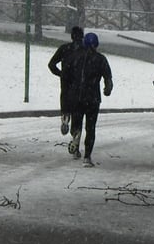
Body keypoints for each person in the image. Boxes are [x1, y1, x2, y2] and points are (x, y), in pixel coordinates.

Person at [65, 32, 113, 167]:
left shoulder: (75, 57)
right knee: (90, 128)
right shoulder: (101, 59)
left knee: (77, 121)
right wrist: (107, 89)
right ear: (96, 44)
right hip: (93, 98)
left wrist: (69, 91)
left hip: (77, 96)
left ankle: (76, 135)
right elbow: (108, 78)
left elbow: (67, 76)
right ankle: (87, 157)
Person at [48, 26, 85, 136]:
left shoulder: (64, 48)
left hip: (66, 82)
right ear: (82, 37)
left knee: (65, 101)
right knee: (78, 110)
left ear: (71, 36)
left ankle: (65, 116)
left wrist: (60, 74)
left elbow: (51, 64)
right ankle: (75, 134)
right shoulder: (85, 50)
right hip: (80, 84)